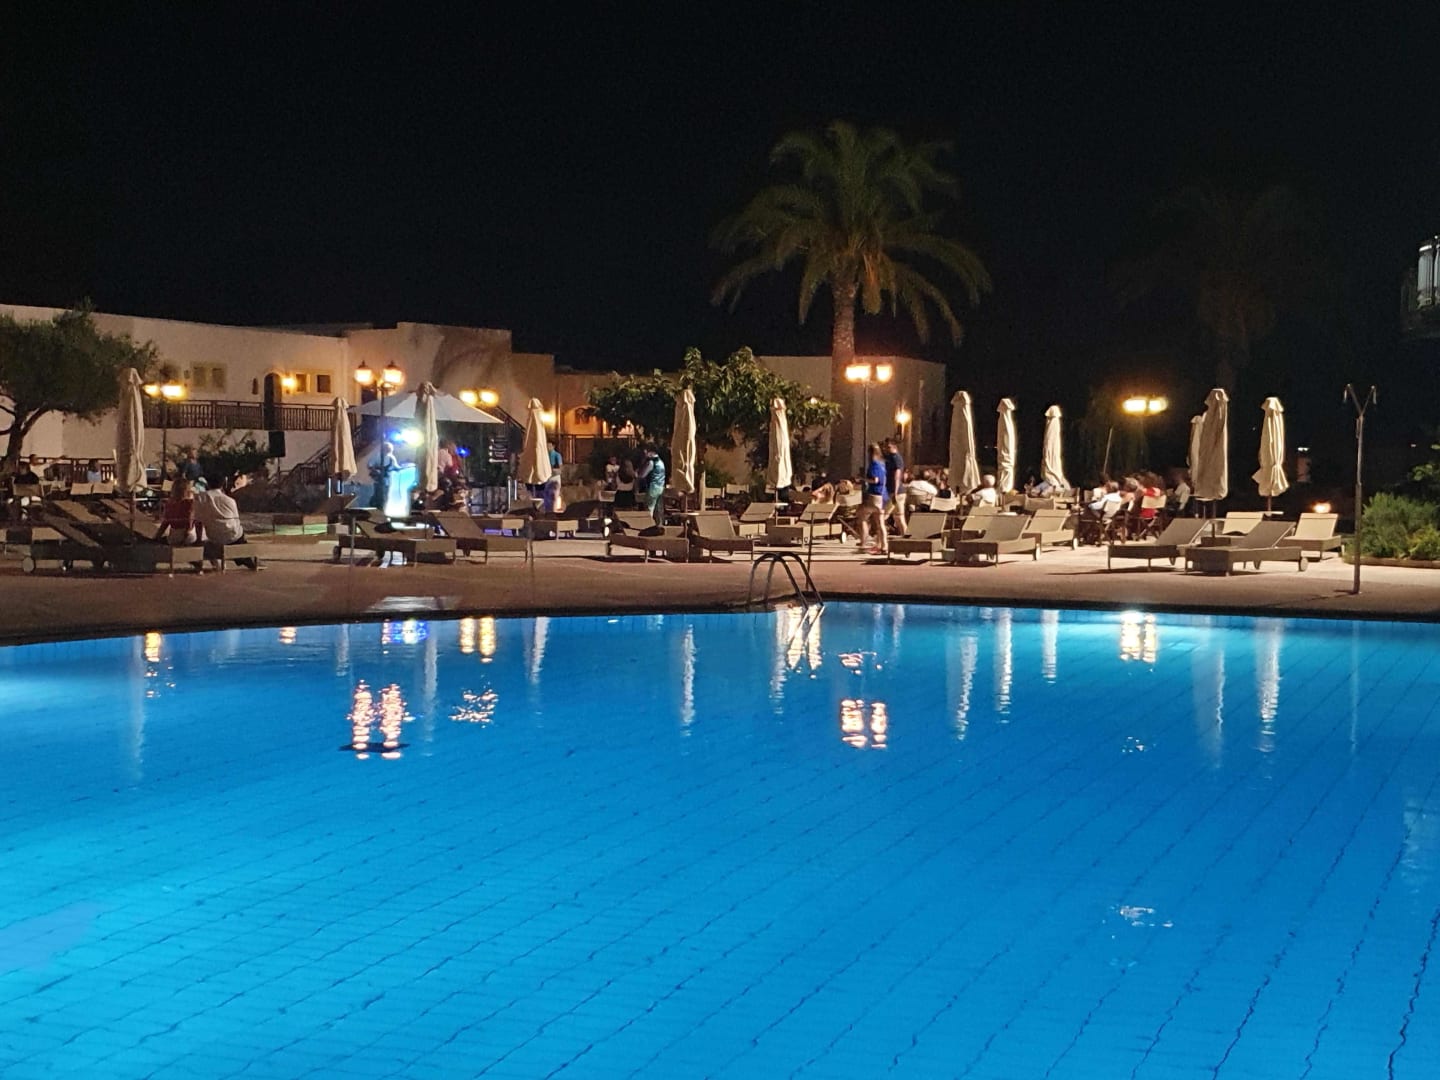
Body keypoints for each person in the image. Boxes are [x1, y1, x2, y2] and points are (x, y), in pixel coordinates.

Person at [194, 477, 260, 569]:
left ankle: (242, 558)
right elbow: (236, 519)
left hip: (213, 537)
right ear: (223, 484)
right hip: (233, 536)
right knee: (237, 531)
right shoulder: (229, 500)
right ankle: (245, 558)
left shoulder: (200, 498)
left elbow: (198, 520)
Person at [855, 443, 889, 555]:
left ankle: (863, 542)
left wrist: (862, 479)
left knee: (862, 516)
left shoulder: (874, 464)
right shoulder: (882, 464)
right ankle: (884, 545)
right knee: (880, 522)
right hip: (882, 496)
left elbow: (875, 480)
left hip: (873, 495)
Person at [156, 477, 197, 544]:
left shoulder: (169, 504)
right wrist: (186, 535)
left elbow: (165, 524)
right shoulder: (190, 503)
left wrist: (157, 537)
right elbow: (189, 520)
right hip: (188, 536)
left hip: (173, 536)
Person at [637, 445, 667, 527]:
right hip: (661, 487)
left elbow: (642, 475)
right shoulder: (661, 462)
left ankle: (648, 526)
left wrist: (638, 474)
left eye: (646, 452)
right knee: (659, 509)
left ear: (651, 452)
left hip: (652, 487)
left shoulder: (651, 462)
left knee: (649, 508)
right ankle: (659, 525)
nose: (645, 453)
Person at [883, 437, 907, 536]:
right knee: (899, 517)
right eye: (885, 446)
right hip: (899, 492)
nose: (886, 448)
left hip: (894, 491)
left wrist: (895, 492)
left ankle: (880, 540)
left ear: (894, 446)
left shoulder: (895, 458)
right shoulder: (891, 457)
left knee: (882, 516)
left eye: (888, 447)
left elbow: (897, 475)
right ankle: (906, 538)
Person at [369, 442, 399, 511]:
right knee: (378, 494)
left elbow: (396, 467)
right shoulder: (377, 456)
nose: (389, 449)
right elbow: (370, 465)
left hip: (387, 480)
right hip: (379, 480)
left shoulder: (391, 458)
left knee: (386, 494)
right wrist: (376, 471)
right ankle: (377, 505)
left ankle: (383, 506)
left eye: (389, 448)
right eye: (387, 448)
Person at [543, 445, 563, 513]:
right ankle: (547, 512)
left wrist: (551, 470)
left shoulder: (557, 455)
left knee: (554, 496)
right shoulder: (545, 456)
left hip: (555, 478)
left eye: (549, 445)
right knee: (546, 496)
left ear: (553, 446)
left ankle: (554, 511)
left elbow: (560, 469)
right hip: (547, 478)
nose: (548, 447)